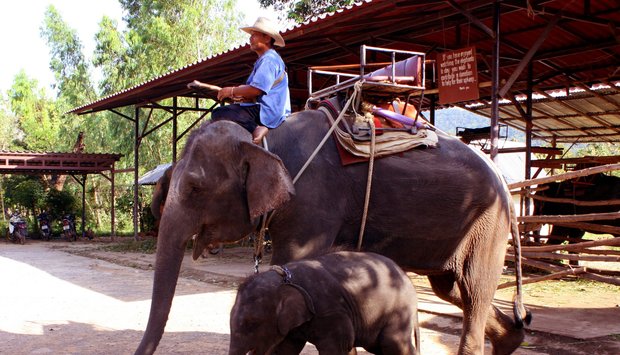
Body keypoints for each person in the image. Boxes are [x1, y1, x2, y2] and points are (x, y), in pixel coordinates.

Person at [188, 17, 291, 144]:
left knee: (220, 113)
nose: (250, 38)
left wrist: (231, 91)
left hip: (268, 111)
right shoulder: (266, 59)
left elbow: (256, 90)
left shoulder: (269, 60)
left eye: (254, 35)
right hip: (269, 108)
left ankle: (257, 127)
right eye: (251, 35)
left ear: (267, 38)